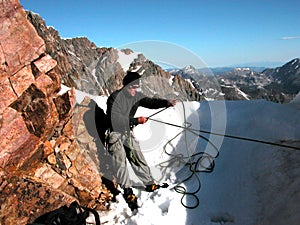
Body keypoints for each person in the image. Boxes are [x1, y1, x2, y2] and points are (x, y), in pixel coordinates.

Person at [106, 71, 176, 210]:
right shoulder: (114, 98)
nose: (134, 90)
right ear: (125, 85)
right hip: (115, 132)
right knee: (120, 161)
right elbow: (115, 120)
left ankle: (149, 183)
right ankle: (127, 190)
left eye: (136, 87)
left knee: (137, 157)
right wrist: (136, 121)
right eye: (132, 87)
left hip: (127, 131)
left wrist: (165, 103)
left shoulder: (136, 96)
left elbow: (150, 102)